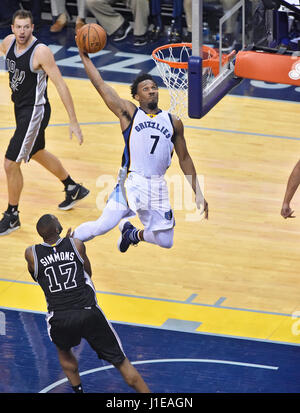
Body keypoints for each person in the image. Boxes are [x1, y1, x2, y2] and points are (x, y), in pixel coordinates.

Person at [71, 44, 208, 253]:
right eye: (146, 89)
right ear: (137, 97)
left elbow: (185, 158)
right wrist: (84, 56)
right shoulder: (129, 114)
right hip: (131, 182)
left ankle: (131, 234)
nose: (152, 90)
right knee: (103, 226)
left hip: (157, 185)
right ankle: (68, 243)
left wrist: (197, 192)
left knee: (166, 241)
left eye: (154, 87)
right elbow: (100, 85)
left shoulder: (173, 122)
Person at [25, 214, 150, 393]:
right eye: (57, 220)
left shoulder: (31, 254)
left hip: (59, 317)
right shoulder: (76, 245)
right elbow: (87, 273)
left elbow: (38, 276)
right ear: (57, 228)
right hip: (87, 311)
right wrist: (68, 249)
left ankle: (78, 390)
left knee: (64, 351)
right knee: (121, 362)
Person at [0, 10, 89, 236]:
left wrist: (73, 121)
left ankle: (12, 216)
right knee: (37, 151)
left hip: (35, 112)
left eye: (26, 27)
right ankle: (72, 187)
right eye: (18, 27)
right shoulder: (8, 43)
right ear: (12, 28)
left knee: (11, 163)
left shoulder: (41, 52)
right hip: (20, 109)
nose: (22, 31)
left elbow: (60, 84)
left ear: (32, 28)